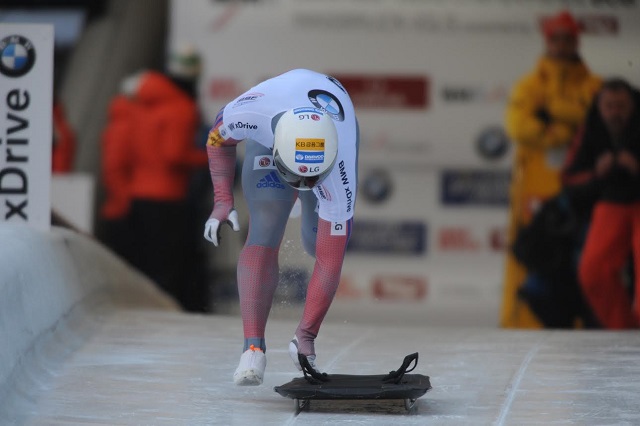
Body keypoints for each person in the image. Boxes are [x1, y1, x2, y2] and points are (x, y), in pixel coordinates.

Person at [203, 69, 359, 385]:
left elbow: (330, 262)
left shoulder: (341, 168)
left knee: (318, 245)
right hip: (271, 136)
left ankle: (309, 202)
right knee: (267, 222)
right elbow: (216, 139)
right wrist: (222, 200)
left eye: (309, 181)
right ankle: (252, 346)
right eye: (298, 178)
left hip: (330, 152)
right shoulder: (249, 114)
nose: (303, 185)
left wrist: (307, 334)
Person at [500, 10, 601, 328]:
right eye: (556, 38)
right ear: (548, 41)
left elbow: (595, 121)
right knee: (534, 251)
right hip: (536, 184)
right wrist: (565, 130)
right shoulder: (528, 86)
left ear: (576, 40)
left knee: (583, 253)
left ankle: (583, 319)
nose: (562, 44)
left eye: (568, 38)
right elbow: (519, 126)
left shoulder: (594, 85)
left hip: (579, 184)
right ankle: (527, 319)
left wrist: (551, 113)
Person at [123, 45, 209, 311]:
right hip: (167, 198)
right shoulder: (182, 107)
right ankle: (164, 319)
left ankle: (145, 317)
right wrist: (208, 157)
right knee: (168, 268)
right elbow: (174, 155)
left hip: (139, 194)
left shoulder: (142, 103)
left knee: (145, 265)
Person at [562, 78, 640, 329]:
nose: (615, 112)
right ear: (600, 107)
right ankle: (622, 330)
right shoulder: (591, 128)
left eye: (621, 106)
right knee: (593, 271)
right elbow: (569, 178)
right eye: (609, 106)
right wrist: (597, 174)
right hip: (611, 203)